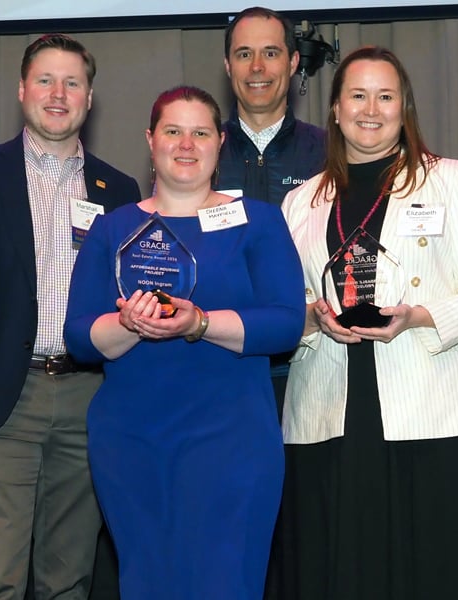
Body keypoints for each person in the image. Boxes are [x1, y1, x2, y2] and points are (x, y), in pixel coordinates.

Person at [279, 46, 458, 600]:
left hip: (436, 409)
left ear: (404, 107)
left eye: (386, 96)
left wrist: (418, 316)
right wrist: (314, 318)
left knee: (440, 571)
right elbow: (288, 310)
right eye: (357, 95)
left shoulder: (449, 180)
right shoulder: (301, 202)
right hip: (331, 410)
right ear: (334, 109)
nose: (371, 109)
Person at [63, 85, 305, 600]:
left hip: (232, 439)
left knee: (226, 583)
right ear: (151, 140)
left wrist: (198, 322)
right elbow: (80, 337)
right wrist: (129, 323)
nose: (186, 144)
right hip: (132, 442)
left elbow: (285, 324)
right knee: (148, 583)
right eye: (173, 131)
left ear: (220, 142)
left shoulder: (258, 221)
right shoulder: (113, 228)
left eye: (200, 133)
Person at [0, 33, 141, 599]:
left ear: (90, 98)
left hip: (89, 399)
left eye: (72, 82)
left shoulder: (119, 191)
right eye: (45, 80)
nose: (57, 94)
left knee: (69, 577)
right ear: (22, 90)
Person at [216, 6, 325, 206]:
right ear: (228, 66)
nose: (257, 66)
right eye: (245, 54)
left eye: (271, 54)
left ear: (293, 63)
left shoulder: (328, 152)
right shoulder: (203, 153)